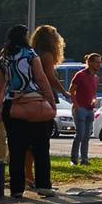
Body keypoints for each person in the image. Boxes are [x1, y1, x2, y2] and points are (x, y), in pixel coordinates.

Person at [0, 25, 57, 198]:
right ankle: (43, 185)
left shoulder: (4, 58)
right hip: (35, 103)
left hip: (12, 106)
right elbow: (41, 78)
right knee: (41, 147)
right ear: (24, 37)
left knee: (16, 149)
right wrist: (51, 100)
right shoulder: (31, 55)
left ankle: (16, 189)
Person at [28, 25, 69, 184]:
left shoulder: (32, 53)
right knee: (42, 140)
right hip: (44, 97)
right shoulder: (47, 55)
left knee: (29, 140)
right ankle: (40, 179)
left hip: (31, 96)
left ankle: (28, 174)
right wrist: (64, 92)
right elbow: (50, 77)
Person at [69, 53, 101, 166]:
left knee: (87, 136)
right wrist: (76, 106)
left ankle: (84, 159)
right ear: (90, 62)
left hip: (90, 109)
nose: (99, 64)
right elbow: (71, 91)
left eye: (100, 62)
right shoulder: (80, 75)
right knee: (80, 135)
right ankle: (74, 159)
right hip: (80, 108)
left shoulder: (96, 78)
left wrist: (94, 100)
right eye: (97, 62)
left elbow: (93, 93)